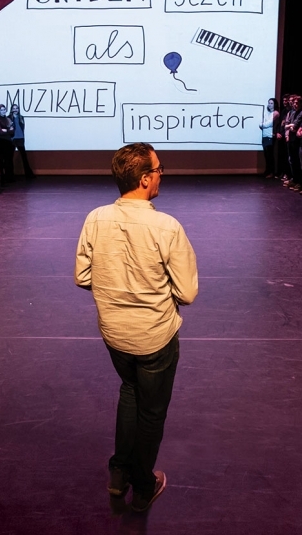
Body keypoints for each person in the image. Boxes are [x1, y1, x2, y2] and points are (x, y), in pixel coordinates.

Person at [75, 143, 198, 512]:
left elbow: (83, 276)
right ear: (145, 179)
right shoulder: (167, 226)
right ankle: (143, 485)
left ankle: (118, 472)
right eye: (159, 169)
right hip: (154, 336)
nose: (162, 174)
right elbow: (187, 292)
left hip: (114, 333)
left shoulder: (95, 218)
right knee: (152, 412)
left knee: (129, 392)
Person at [10, 104, 33, 180]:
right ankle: (11, 175)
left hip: (20, 138)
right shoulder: (9, 118)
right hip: (12, 139)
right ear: (11, 109)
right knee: (10, 158)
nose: (15, 110)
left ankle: (29, 174)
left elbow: (22, 127)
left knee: (24, 156)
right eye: (14, 108)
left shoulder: (21, 117)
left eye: (17, 108)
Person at [0, 104, 15, 185]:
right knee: (1, 160)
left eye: (4, 109)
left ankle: (9, 176)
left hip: (9, 142)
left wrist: (6, 130)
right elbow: (0, 132)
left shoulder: (8, 119)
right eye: (1, 110)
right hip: (1, 142)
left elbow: (13, 131)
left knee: (9, 160)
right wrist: (8, 129)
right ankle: (2, 177)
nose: (3, 111)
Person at [260, 98, 278, 178]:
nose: (269, 104)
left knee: (270, 155)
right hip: (265, 135)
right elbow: (263, 122)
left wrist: (262, 125)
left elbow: (269, 123)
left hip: (270, 136)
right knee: (266, 155)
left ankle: (271, 172)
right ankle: (267, 171)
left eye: (271, 103)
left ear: (275, 104)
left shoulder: (276, 113)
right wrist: (263, 124)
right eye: (269, 103)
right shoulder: (268, 113)